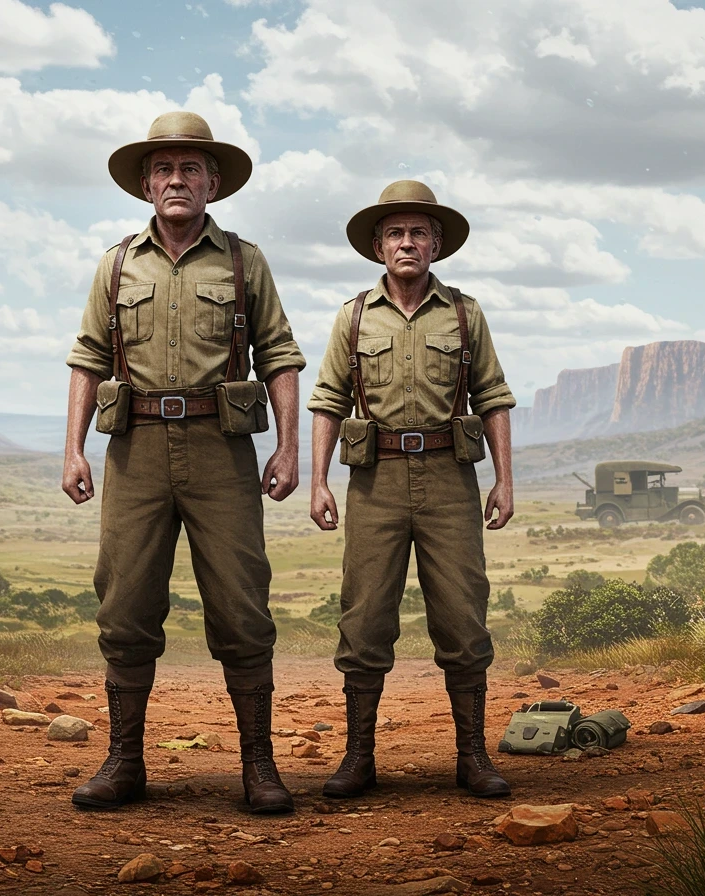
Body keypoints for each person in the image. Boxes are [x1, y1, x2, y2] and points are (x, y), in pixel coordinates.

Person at [62, 111, 306, 814]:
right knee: (126, 603)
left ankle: (259, 767)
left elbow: (281, 357)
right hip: (133, 449)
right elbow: (86, 356)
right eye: (164, 169)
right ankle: (124, 762)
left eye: (190, 169)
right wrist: (74, 448)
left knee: (241, 604)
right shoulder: (116, 264)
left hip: (220, 449)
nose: (177, 180)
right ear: (145, 183)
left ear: (213, 182)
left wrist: (289, 447)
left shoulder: (242, 260)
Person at [307, 180, 517, 800]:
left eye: (418, 233)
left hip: (452, 478)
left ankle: (473, 757)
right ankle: (358, 757)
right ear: (377, 245)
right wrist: (318, 481)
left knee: (462, 614)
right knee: (364, 616)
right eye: (396, 233)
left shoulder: (465, 313)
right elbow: (325, 401)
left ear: (437, 243)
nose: (407, 243)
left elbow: (495, 397)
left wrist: (505, 478)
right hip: (374, 481)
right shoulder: (352, 317)